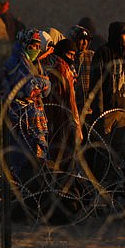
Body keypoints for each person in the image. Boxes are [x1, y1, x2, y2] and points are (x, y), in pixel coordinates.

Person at [88, 21, 125, 186]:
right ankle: (98, 187)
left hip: (121, 111)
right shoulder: (103, 53)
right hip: (106, 112)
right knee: (103, 152)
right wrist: (99, 112)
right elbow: (96, 85)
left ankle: (111, 187)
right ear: (116, 35)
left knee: (117, 153)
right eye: (124, 35)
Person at [2, 28, 51, 181]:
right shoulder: (15, 62)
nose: (35, 50)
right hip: (22, 119)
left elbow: (47, 90)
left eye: (37, 46)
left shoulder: (34, 63)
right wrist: (42, 81)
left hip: (36, 121)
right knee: (23, 163)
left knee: (37, 162)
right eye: (32, 47)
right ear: (24, 44)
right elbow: (29, 88)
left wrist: (41, 82)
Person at [44, 39, 82, 169]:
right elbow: (69, 99)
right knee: (66, 160)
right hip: (64, 120)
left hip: (54, 120)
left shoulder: (51, 66)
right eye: (69, 55)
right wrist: (76, 125)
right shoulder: (63, 69)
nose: (71, 58)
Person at [68, 25, 94, 117]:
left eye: (87, 40)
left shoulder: (92, 56)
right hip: (73, 107)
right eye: (81, 39)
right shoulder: (68, 57)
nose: (84, 43)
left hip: (90, 107)